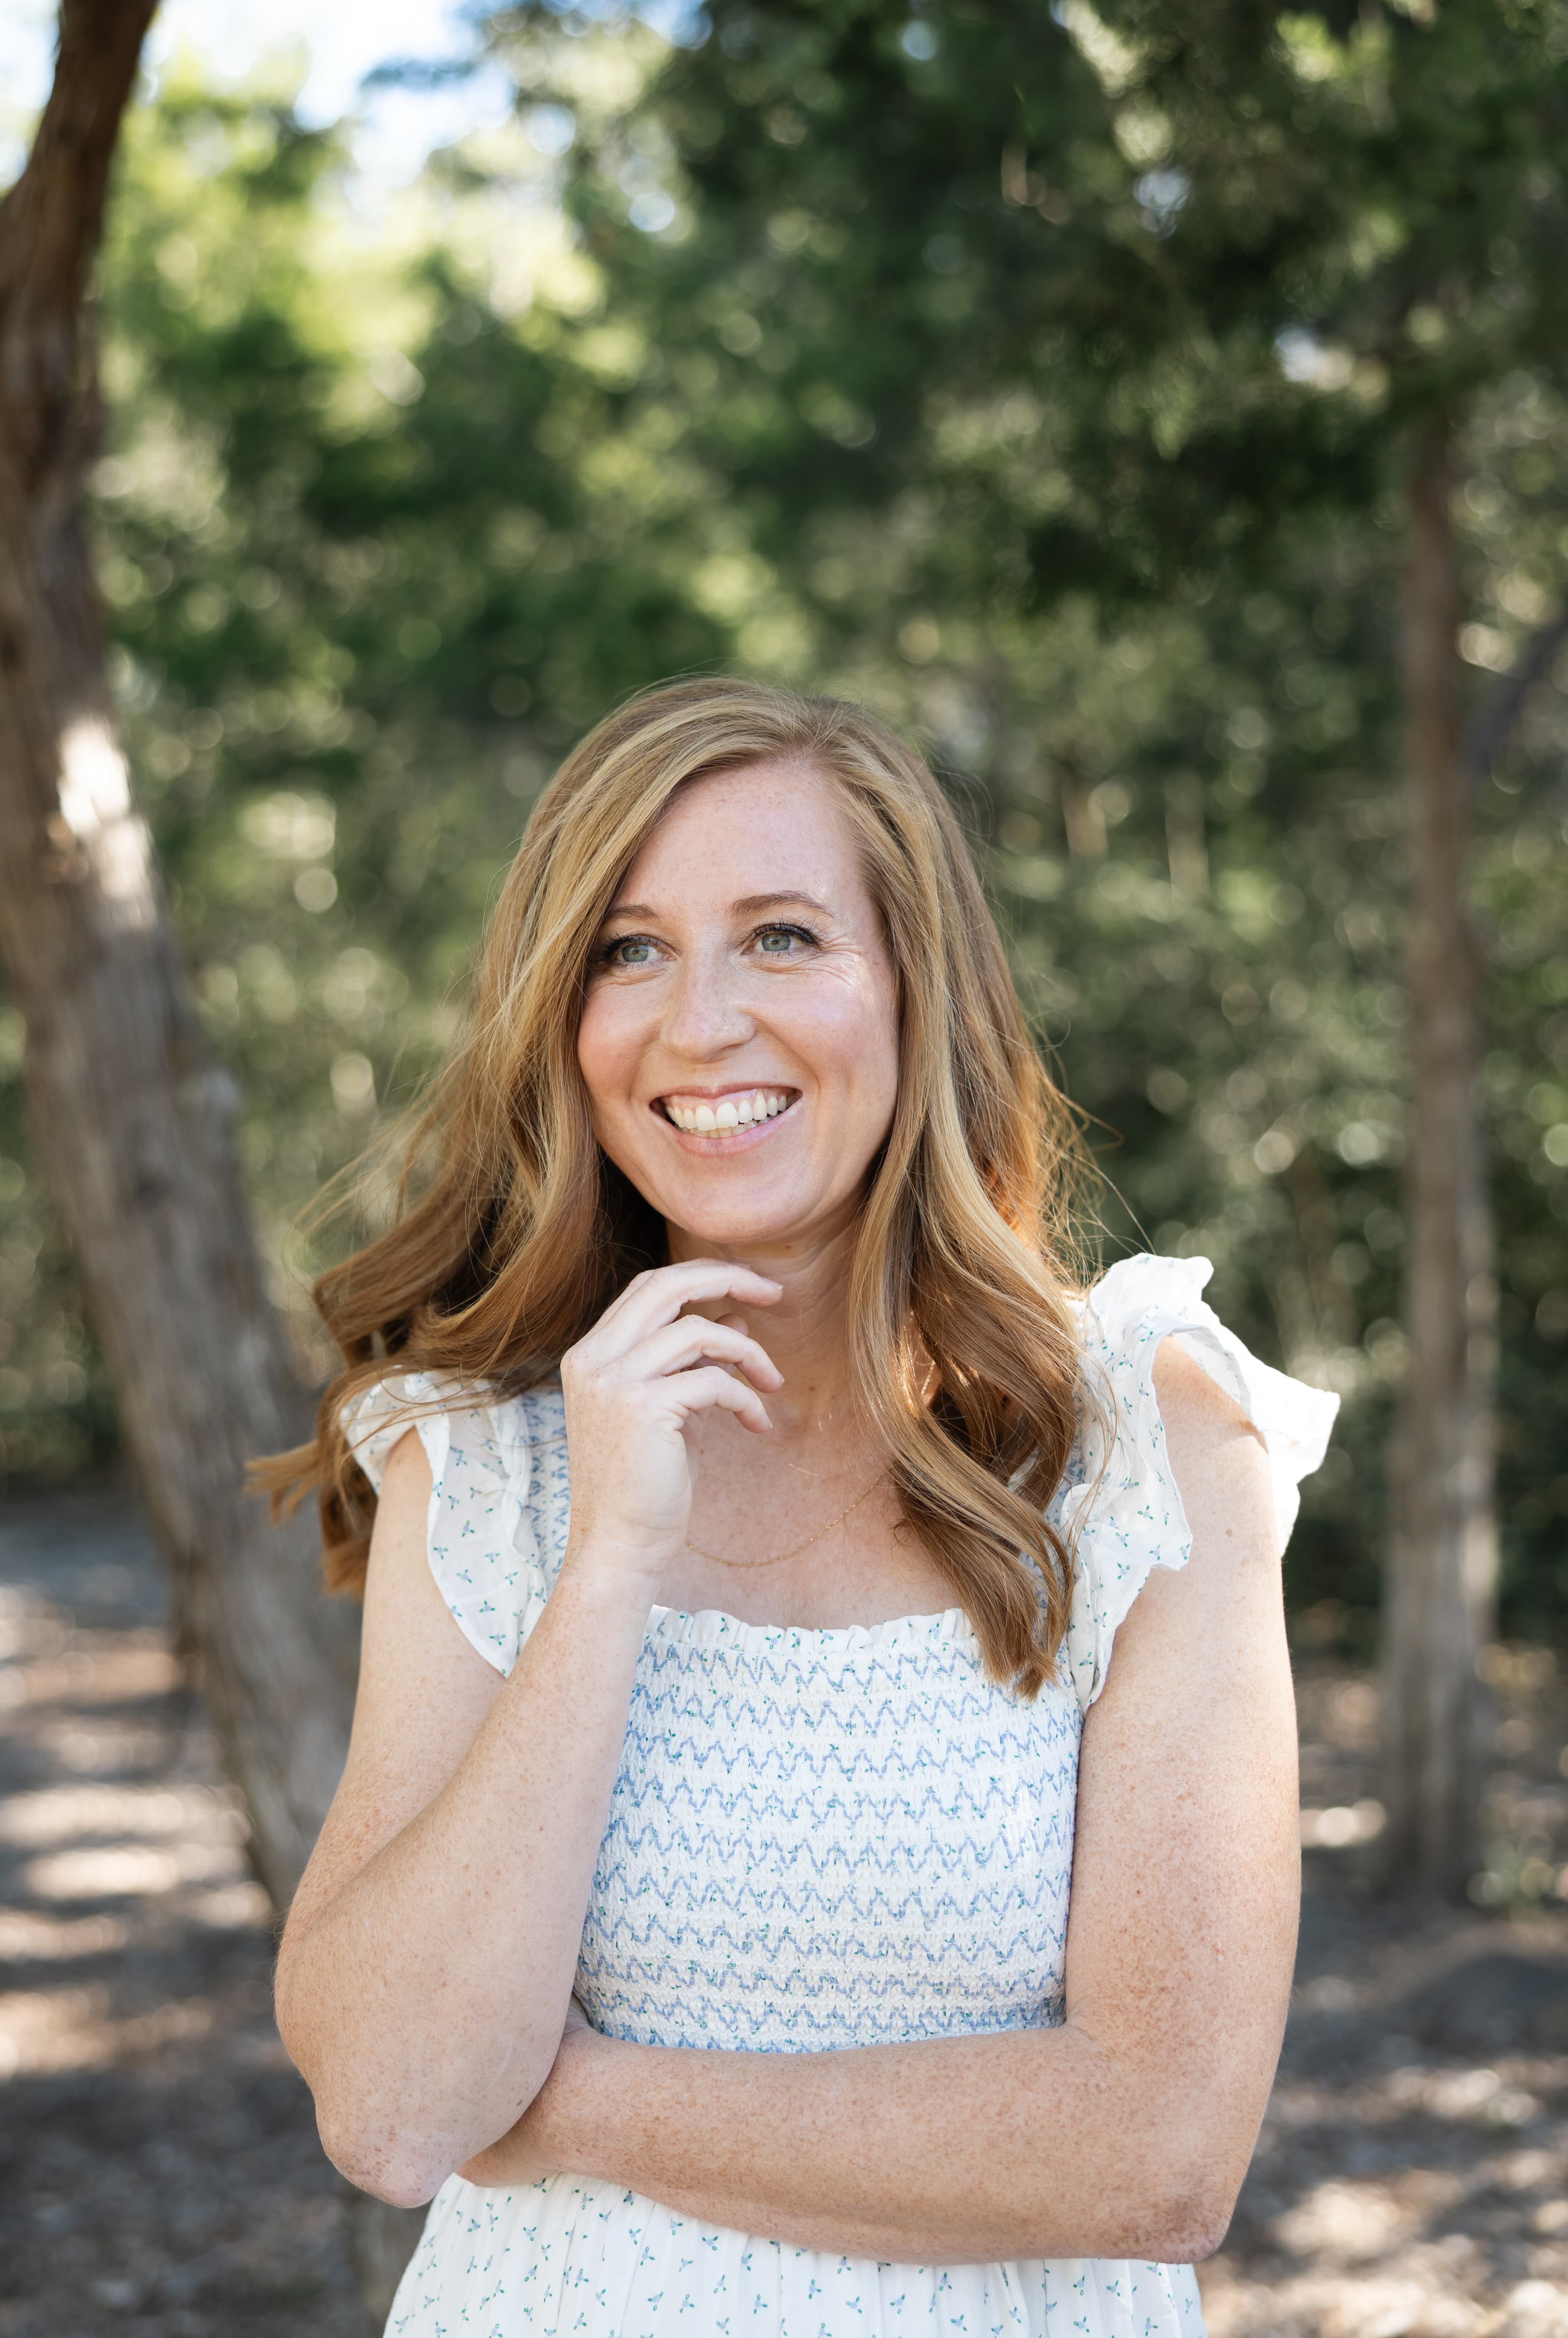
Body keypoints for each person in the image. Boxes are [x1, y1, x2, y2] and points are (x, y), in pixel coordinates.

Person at [268, 676, 1337, 2338]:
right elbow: (399, 2109)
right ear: (567, 1020)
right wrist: (608, 1563)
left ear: (919, 990)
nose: (700, 1024)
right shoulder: (487, 1465)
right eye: (629, 950)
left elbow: (1158, 2149)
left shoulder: (1146, 1441)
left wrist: (566, 2107)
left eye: (781, 937)